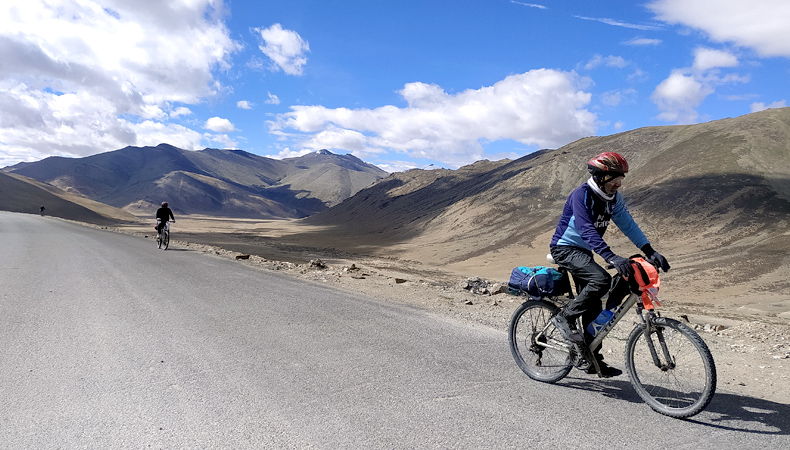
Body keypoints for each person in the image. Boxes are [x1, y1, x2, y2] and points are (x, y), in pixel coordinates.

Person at [549, 152, 670, 377]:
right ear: (600, 177)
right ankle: (564, 317)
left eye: (620, 179)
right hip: (565, 248)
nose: (618, 183)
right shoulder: (582, 195)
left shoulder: (614, 198)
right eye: (614, 179)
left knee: (594, 308)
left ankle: (591, 358)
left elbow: (628, 224)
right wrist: (610, 256)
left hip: (585, 251)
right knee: (601, 280)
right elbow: (586, 229)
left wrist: (649, 251)